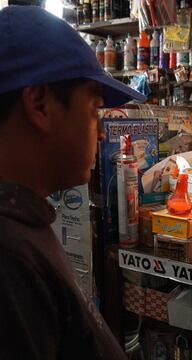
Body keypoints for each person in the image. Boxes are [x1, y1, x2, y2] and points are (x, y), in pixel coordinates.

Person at [0, 6, 146, 359]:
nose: (100, 133)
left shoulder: (23, 221)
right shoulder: (9, 260)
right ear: (41, 105)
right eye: (94, 110)